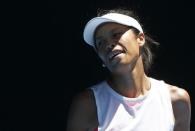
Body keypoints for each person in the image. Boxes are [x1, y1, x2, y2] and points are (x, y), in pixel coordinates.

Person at [66, 8, 191, 131]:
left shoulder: (177, 100)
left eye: (116, 34)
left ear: (140, 38)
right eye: (100, 43)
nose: (108, 44)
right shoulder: (86, 105)